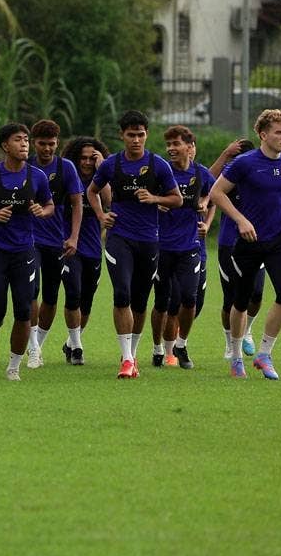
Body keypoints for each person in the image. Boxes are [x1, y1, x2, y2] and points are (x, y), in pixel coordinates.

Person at [86, 110, 181, 379]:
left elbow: (177, 199)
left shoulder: (158, 165)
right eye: (131, 135)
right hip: (119, 239)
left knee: (140, 302)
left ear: (146, 135)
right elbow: (91, 191)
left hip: (150, 240)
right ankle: (126, 359)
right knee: (122, 295)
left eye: (140, 135)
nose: (136, 140)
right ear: (122, 136)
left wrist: (154, 198)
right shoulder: (111, 165)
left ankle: (133, 353)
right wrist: (102, 215)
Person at [0, 123, 54, 381]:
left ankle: (13, 366)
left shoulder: (37, 176)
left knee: (24, 310)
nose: (25, 144)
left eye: (26, 140)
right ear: (6, 146)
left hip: (25, 251)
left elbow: (49, 205)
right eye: (19, 140)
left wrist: (42, 211)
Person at [208, 109, 281, 380]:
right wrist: (240, 220)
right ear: (263, 134)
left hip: (278, 240)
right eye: (279, 132)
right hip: (247, 241)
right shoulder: (244, 163)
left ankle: (265, 355)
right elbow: (216, 193)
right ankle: (235, 357)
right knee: (241, 301)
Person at [149, 126, 214, 369]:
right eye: (168, 145)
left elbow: (214, 195)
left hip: (190, 246)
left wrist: (206, 218)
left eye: (176, 144)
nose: (171, 149)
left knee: (189, 298)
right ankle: (157, 348)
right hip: (162, 246)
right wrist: (157, 205)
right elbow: (144, 200)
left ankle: (181, 344)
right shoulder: (161, 172)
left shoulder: (201, 173)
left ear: (190, 147)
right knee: (163, 302)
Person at [26, 119, 83, 369]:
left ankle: (38, 344)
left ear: (57, 143)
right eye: (42, 144)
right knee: (31, 292)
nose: (47, 149)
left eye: (51, 144)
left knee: (51, 297)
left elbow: (77, 203)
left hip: (56, 241)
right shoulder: (24, 166)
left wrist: (73, 237)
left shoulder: (66, 168)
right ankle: (33, 348)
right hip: (28, 240)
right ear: (32, 144)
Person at [209, 138, 264, 359]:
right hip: (228, 243)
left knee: (257, 294)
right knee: (231, 297)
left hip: (257, 241)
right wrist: (225, 153)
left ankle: (247, 330)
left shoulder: (259, 174)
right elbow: (207, 183)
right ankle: (231, 343)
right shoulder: (227, 175)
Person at [58, 137, 111, 365]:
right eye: (84, 158)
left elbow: (109, 201)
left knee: (86, 300)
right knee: (73, 292)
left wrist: (103, 170)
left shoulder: (101, 179)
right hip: (69, 244)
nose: (87, 162)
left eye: (93, 158)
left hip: (92, 246)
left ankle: (71, 343)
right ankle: (78, 347)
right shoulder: (69, 177)